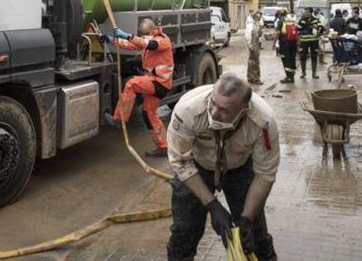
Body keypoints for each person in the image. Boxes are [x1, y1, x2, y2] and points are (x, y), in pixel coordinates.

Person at [166, 73, 280, 261]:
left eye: (224, 110)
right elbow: (181, 162)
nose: (214, 112)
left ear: (243, 111)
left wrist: (246, 218)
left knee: (255, 236)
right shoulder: (187, 110)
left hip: (240, 167)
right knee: (184, 234)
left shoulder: (263, 122)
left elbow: (265, 174)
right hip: (196, 167)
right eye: (213, 103)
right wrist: (212, 205)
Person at [104, 19, 173, 157]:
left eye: (147, 33)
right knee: (149, 114)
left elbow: (150, 44)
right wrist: (111, 40)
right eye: (143, 34)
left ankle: (119, 118)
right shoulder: (147, 40)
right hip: (155, 81)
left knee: (132, 83)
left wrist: (127, 35)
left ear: (154, 30)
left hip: (160, 82)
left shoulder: (162, 40)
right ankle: (164, 147)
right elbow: (131, 45)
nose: (145, 35)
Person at [297, 7, 322, 79]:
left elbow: (321, 28)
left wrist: (317, 29)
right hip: (304, 41)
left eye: (307, 12)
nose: (305, 13)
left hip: (313, 41)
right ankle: (303, 73)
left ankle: (314, 73)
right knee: (303, 56)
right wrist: (301, 33)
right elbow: (298, 29)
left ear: (311, 13)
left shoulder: (316, 20)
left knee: (314, 56)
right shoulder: (302, 20)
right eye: (305, 12)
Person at [274, 10, 297, 83]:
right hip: (293, 42)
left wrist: (274, 43)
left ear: (280, 15)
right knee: (292, 59)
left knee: (285, 60)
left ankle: (288, 77)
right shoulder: (293, 21)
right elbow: (297, 32)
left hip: (285, 43)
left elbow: (277, 33)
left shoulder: (281, 21)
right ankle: (292, 77)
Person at [245, 11, 263, 84]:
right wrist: (250, 45)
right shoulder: (251, 25)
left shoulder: (256, 25)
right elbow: (248, 36)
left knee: (252, 62)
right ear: (255, 18)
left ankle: (251, 77)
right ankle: (255, 78)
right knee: (255, 62)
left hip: (256, 44)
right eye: (258, 18)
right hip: (253, 45)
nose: (259, 19)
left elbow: (258, 36)